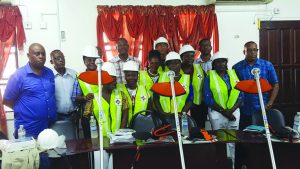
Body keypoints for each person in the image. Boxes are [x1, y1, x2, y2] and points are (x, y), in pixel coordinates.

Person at [3, 43, 56, 138]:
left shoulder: (49, 73)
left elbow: (50, 95)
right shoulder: (19, 75)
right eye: (37, 54)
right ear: (28, 56)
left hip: (49, 128)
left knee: (49, 153)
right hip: (27, 130)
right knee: (29, 153)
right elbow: (7, 101)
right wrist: (25, 112)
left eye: (43, 54)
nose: (41, 56)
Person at [203, 52, 243, 167]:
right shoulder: (209, 77)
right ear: (214, 64)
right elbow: (207, 98)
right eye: (218, 62)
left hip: (234, 112)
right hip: (217, 113)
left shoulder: (234, 74)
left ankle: (233, 165)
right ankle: (221, 165)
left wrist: (231, 111)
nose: (221, 64)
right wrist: (224, 112)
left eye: (223, 61)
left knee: (232, 142)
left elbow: (241, 95)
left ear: (227, 62)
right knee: (220, 141)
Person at [233, 41, 279, 129]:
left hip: (263, 108)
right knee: (245, 135)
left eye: (255, 50)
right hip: (244, 109)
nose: (253, 52)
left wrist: (270, 102)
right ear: (244, 52)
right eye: (249, 50)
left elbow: (275, 84)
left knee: (262, 135)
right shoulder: (236, 67)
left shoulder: (267, 65)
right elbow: (235, 88)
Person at [154, 52, 193, 119]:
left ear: (180, 64)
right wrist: (162, 113)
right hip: (164, 117)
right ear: (167, 65)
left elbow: (190, 99)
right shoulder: (161, 78)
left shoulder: (186, 79)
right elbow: (155, 98)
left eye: (176, 63)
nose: (174, 65)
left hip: (181, 116)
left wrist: (182, 113)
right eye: (171, 63)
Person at [72, 45, 99, 138]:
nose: (92, 62)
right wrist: (84, 97)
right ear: (84, 61)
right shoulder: (79, 77)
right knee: (90, 141)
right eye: (89, 59)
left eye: (94, 59)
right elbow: (74, 97)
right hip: (88, 115)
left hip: (104, 113)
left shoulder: (104, 74)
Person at [50, 49, 78, 139]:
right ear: (51, 61)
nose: (61, 60)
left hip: (73, 116)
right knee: (59, 144)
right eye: (57, 58)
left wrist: (77, 111)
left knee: (74, 144)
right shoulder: (48, 76)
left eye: (62, 57)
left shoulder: (74, 74)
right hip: (56, 117)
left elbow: (79, 94)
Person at [95, 62, 129, 135]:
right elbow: (89, 118)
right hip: (101, 138)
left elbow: (125, 114)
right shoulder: (94, 97)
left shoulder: (122, 95)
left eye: (115, 80)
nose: (114, 83)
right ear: (102, 80)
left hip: (118, 137)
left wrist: (121, 133)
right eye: (111, 81)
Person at [179, 45, 206, 128]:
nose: (190, 58)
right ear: (181, 57)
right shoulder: (176, 70)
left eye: (192, 56)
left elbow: (205, 84)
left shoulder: (199, 68)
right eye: (187, 56)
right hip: (182, 107)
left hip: (198, 107)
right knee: (183, 130)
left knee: (199, 130)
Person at [121, 61, 150, 125]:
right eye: (128, 75)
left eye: (134, 75)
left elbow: (149, 110)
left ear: (138, 75)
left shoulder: (144, 90)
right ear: (125, 76)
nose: (131, 78)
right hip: (124, 128)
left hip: (141, 127)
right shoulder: (120, 90)